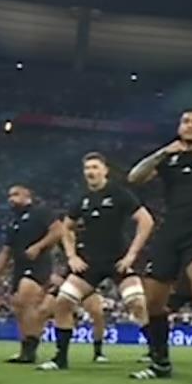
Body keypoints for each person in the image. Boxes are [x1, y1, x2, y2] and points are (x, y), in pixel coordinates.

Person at [127, 110, 192, 384]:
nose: (190, 125)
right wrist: (163, 152)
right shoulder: (169, 159)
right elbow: (134, 177)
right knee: (153, 301)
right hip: (169, 233)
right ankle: (160, 362)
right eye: (185, 121)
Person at [41, 153, 155, 371]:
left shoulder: (120, 194)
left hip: (118, 260)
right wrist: (72, 256)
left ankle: (156, 353)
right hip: (89, 263)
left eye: (94, 167)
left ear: (105, 170)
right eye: (87, 168)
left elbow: (146, 221)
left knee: (137, 303)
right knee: (63, 302)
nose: (90, 172)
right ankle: (60, 358)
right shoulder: (82, 199)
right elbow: (65, 227)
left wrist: (131, 255)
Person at [0, 184, 66, 364]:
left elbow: (59, 231)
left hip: (39, 263)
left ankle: (31, 347)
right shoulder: (14, 222)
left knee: (27, 299)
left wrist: (38, 246)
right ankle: (26, 348)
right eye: (9, 195)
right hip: (19, 266)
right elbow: (6, 252)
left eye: (15, 194)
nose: (11, 198)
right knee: (18, 306)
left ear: (27, 195)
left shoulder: (41, 212)